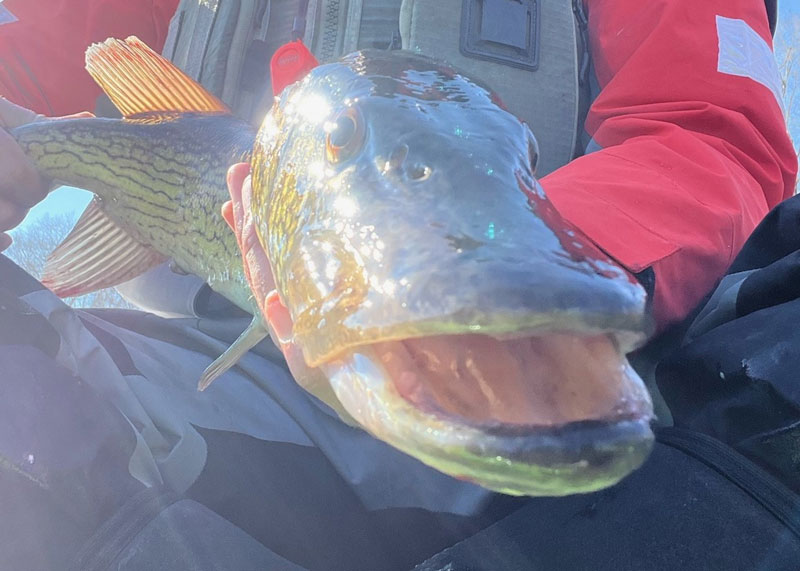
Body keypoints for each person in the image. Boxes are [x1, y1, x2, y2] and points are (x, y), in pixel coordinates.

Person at [1, 1, 799, 570]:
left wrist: (513, 279)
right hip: (190, 374)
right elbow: (27, 55)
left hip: (544, 365)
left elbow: (706, 124)